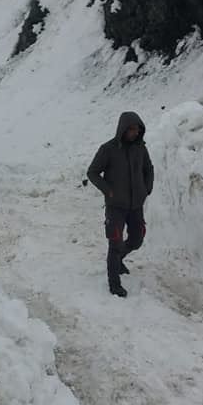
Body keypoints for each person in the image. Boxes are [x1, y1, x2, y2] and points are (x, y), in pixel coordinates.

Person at [87, 111, 154, 297]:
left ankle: (118, 260)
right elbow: (92, 172)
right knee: (115, 243)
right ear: (123, 129)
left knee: (136, 240)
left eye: (137, 129)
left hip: (136, 205)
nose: (134, 133)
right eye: (131, 129)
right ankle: (114, 284)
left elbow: (149, 169)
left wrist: (147, 188)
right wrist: (108, 190)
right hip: (116, 205)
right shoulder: (108, 149)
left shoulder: (141, 148)